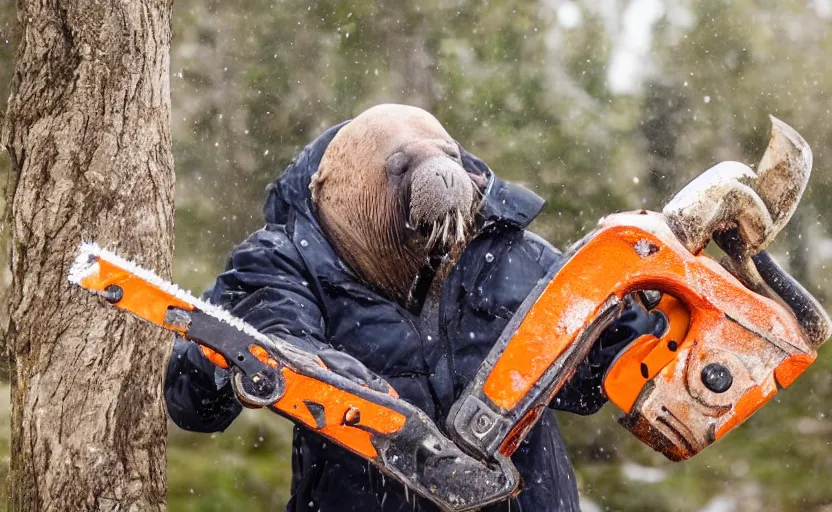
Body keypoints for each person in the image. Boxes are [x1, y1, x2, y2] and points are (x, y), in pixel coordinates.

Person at [164, 105, 663, 511]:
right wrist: (287, 362)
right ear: (341, 189)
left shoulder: (511, 253)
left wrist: (663, 306)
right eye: (403, 166)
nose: (441, 175)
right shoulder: (287, 260)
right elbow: (194, 400)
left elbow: (606, 371)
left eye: (447, 156)